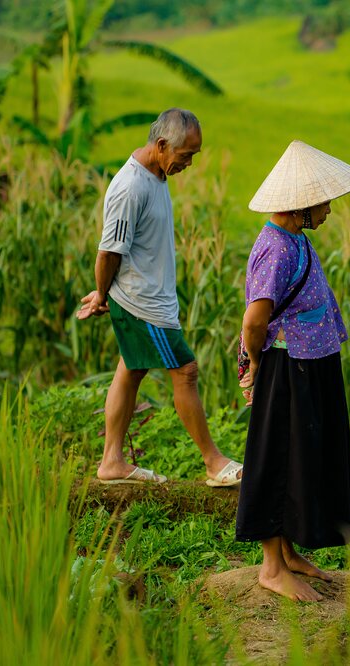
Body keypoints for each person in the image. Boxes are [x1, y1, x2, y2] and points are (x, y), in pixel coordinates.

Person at [76, 108, 242, 488]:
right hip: (143, 304)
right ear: (163, 145)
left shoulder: (156, 174)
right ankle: (213, 462)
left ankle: (112, 462)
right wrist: (103, 294)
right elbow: (108, 251)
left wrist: (107, 291)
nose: (188, 164)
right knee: (185, 371)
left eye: (193, 157)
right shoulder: (130, 187)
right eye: (185, 156)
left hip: (142, 297)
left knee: (130, 370)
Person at [236, 140, 350, 601]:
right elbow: (256, 318)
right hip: (287, 366)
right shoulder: (276, 249)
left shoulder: (296, 239)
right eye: (324, 200)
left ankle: (288, 552)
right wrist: (256, 362)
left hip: (309, 362)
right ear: (300, 205)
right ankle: (271, 567)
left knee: (302, 454)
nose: (330, 208)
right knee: (277, 456)